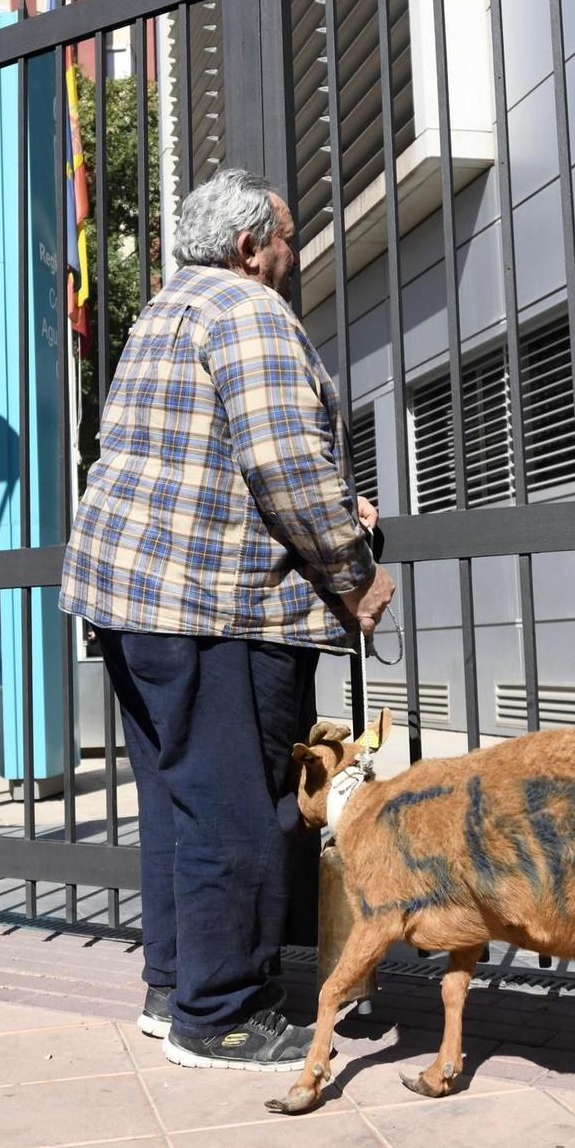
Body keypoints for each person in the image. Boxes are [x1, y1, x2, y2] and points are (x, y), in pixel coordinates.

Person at [60, 167, 396, 1071]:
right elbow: (283, 460)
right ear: (253, 248)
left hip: (131, 602)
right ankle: (225, 1015)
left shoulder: (163, 311)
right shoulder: (249, 311)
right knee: (238, 812)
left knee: (181, 804)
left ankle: (176, 989)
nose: (295, 254)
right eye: (287, 238)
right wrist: (352, 571)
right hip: (216, 605)